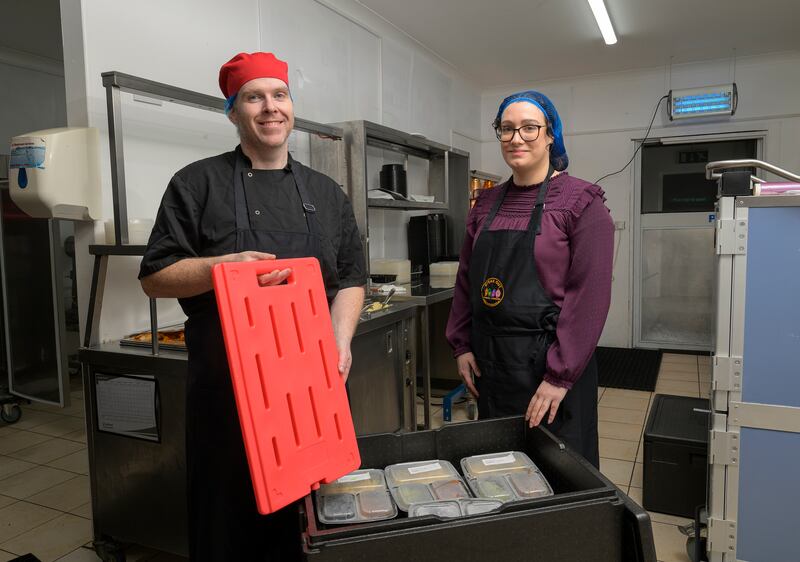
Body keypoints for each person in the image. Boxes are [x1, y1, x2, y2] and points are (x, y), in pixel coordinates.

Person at [139, 52, 366, 561]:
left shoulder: (327, 193)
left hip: (311, 386)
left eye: (279, 95)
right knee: (229, 515)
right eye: (253, 98)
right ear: (233, 112)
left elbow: (352, 277)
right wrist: (223, 267)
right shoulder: (196, 184)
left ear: (291, 106)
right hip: (228, 388)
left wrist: (340, 341)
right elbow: (155, 277)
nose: (270, 108)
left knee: (310, 516)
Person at [446, 90, 613, 467]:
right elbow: (466, 280)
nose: (516, 138)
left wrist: (560, 376)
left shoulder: (581, 203)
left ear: (551, 135)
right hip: (493, 366)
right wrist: (461, 344)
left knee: (557, 471)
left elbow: (590, 298)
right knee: (499, 468)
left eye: (529, 128)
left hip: (549, 369)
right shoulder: (485, 204)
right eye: (506, 128)